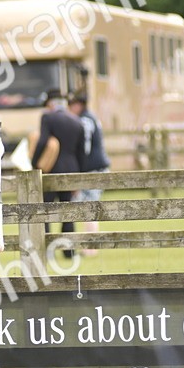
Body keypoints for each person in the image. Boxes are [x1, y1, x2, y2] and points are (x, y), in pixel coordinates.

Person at [31, 90, 84, 253]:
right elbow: (81, 153)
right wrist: (79, 177)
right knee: (67, 212)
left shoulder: (47, 117)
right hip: (71, 169)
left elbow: (42, 142)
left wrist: (34, 162)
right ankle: (69, 251)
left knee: (45, 211)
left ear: (50, 103)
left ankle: (46, 249)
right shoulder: (76, 121)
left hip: (51, 169)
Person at [68, 94, 110, 253]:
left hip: (91, 169)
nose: (70, 108)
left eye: (72, 104)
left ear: (78, 104)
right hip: (97, 167)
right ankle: (91, 247)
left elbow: (84, 148)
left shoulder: (85, 121)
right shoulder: (92, 118)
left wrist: (77, 171)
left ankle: (91, 248)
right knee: (89, 209)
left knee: (89, 210)